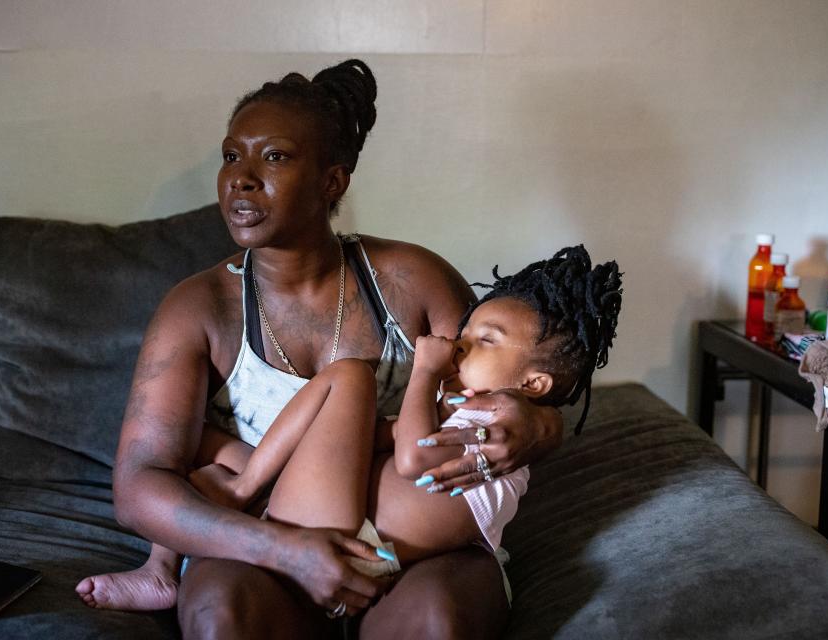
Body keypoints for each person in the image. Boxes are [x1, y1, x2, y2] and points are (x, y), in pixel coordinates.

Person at [77, 59, 567, 639]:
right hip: (262, 545)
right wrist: (285, 549)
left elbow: (513, 378)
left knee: (440, 620)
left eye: (275, 157)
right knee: (222, 614)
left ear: (332, 182)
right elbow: (140, 487)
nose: (242, 177)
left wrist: (540, 428)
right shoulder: (197, 308)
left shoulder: (414, 280)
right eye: (232, 155)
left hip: (410, 545)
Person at [78, 245, 622, 615]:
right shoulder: (471, 408)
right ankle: (176, 549)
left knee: (349, 377)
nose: (459, 343)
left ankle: (224, 505)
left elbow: (411, 460)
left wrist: (427, 375)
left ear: (534, 384)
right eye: (468, 331)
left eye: (486, 340)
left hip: (353, 543)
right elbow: (385, 441)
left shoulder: (494, 421)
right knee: (211, 446)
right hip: (350, 522)